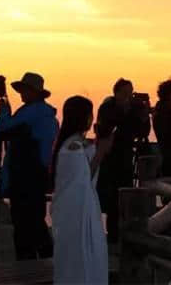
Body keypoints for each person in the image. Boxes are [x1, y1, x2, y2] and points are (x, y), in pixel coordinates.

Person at [51, 96, 114, 284]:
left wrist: (98, 147)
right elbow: (83, 180)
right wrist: (101, 152)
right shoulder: (72, 147)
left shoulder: (74, 143)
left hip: (77, 211)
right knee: (79, 262)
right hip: (76, 213)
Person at [0, 72, 58, 260]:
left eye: (24, 90)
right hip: (37, 176)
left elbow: (3, 129)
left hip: (24, 176)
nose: (21, 93)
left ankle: (26, 271)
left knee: (24, 229)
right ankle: (48, 267)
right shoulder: (47, 114)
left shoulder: (32, 112)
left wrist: (3, 110)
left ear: (33, 92)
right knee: (36, 225)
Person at [96, 78, 151, 243]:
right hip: (110, 159)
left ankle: (124, 236)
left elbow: (142, 132)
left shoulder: (135, 108)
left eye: (131, 92)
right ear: (117, 92)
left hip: (126, 158)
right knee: (112, 201)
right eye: (125, 93)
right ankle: (113, 237)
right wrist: (126, 111)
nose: (129, 96)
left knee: (126, 200)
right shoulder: (107, 108)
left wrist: (144, 116)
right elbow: (106, 128)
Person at [152, 77, 171, 177]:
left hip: (169, 157)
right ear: (169, 95)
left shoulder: (161, 111)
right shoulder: (164, 113)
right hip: (170, 159)